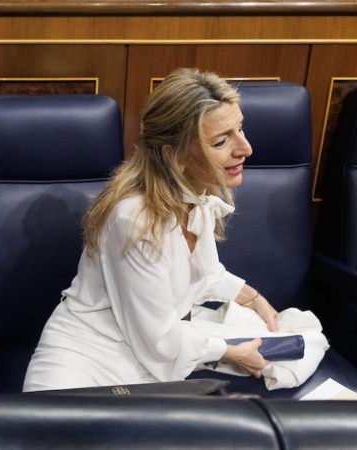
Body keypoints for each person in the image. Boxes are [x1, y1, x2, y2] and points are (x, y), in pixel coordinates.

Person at [23, 68, 280, 392]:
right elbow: (160, 342)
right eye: (220, 140)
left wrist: (252, 297)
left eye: (239, 128)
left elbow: (201, 273)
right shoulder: (136, 220)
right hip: (86, 364)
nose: (246, 148)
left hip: (145, 364)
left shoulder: (193, 194)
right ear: (173, 157)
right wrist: (229, 352)